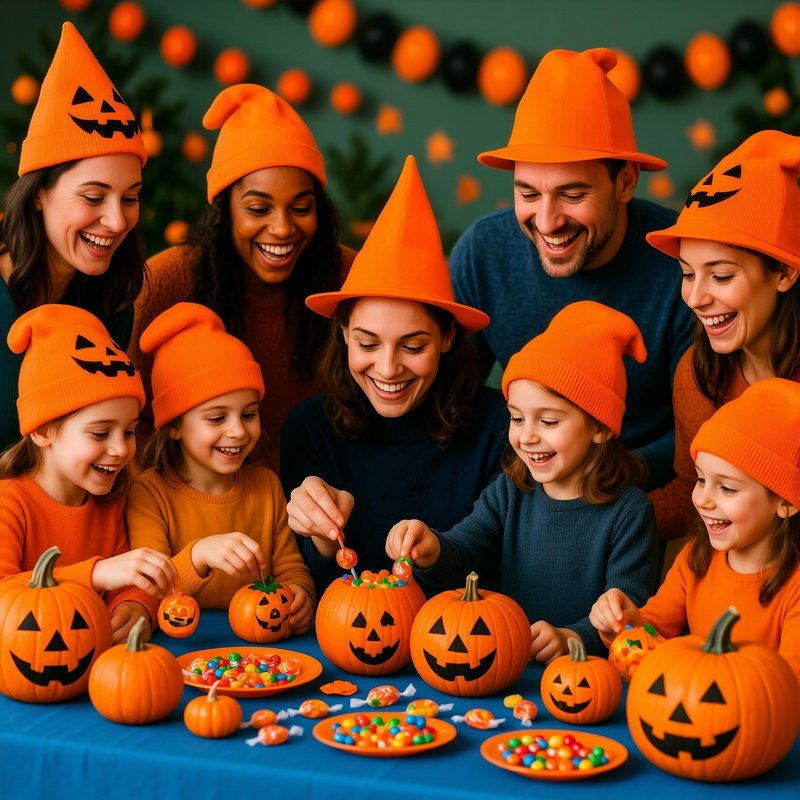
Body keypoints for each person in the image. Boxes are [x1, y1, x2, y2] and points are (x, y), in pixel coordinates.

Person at [449, 47, 694, 493]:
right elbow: (450, 403)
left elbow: (698, 429)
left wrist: (602, 478)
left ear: (625, 182)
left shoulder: (684, 265)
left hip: (642, 490)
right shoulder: (483, 253)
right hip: (524, 482)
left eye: (572, 194)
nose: (546, 222)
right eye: (528, 193)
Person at [281, 156, 509, 601]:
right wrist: (324, 538)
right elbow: (308, 590)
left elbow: (499, 576)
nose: (387, 369)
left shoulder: (500, 427)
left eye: (412, 345)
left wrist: (438, 553)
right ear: (344, 333)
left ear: (446, 337)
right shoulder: (309, 430)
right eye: (367, 344)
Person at [386, 301, 658, 662]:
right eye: (517, 418)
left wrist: (571, 639)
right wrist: (433, 549)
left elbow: (626, 613)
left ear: (599, 427)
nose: (527, 437)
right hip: (505, 669)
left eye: (548, 422)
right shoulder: (512, 491)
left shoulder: (629, 512)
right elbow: (465, 551)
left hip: (585, 680)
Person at [129, 84, 355, 473]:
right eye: (258, 208)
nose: (282, 228)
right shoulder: (166, 281)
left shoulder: (349, 278)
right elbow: (132, 422)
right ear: (224, 210)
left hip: (324, 504)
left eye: (301, 207)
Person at [646, 130, 800, 544]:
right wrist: (608, 525)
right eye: (687, 273)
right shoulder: (699, 375)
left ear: (783, 273)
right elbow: (688, 492)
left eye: (722, 275)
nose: (696, 298)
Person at [0, 21, 147, 453]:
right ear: (40, 194)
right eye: (94, 196)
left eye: (131, 197)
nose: (117, 221)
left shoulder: (112, 304)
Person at [590, 379, 800, 680]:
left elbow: (786, 687)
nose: (702, 499)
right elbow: (651, 631)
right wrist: (621, 624)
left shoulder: (794, 589)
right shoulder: (695, 559)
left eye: (727, 488)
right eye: (701, 479)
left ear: (786, 502)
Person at [126, 302, 314, 634]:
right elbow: (150, 592)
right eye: (217, 418)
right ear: (174, 426)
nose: (238, 431)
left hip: (262, 645)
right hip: (182, 647)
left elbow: (290, 568)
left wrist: (300, 595)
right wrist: (198, 555)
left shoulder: (266, 485)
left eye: (248, 414)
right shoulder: (149, 494)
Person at [0, 305, 177, 643]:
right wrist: (96, 574)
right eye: (99, 433)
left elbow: (129, 584)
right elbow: (4, 596)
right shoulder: (9, 504)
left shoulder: (110, 503)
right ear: (41, 430)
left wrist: (136, 605)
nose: (121, 449)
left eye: (128, 432)